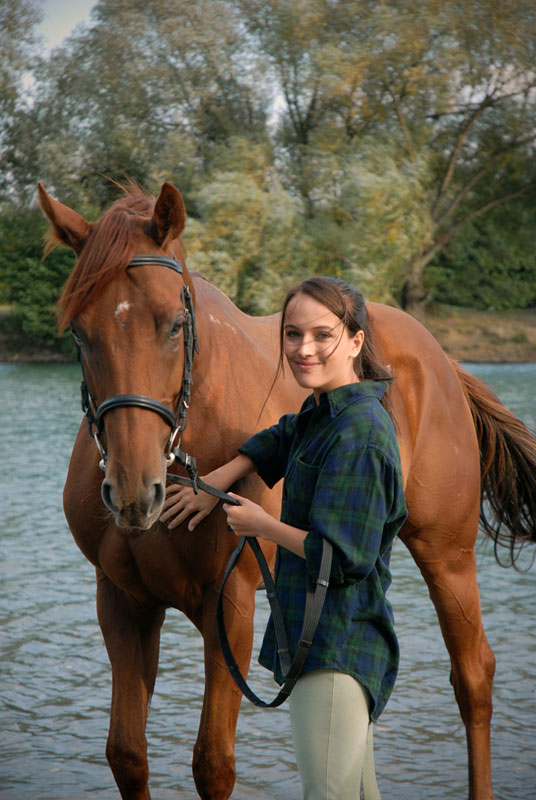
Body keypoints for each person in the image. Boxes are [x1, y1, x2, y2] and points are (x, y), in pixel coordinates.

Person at [160, 277, 407, 800]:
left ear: (356, 341)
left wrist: (261, 525)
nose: (303, 349)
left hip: (336, 648)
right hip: (333, 642)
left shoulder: (359, 434)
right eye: (292, 334)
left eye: (322, 335)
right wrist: (214, 484)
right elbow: (282, 435)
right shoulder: (324, 413)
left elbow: (342, 558)